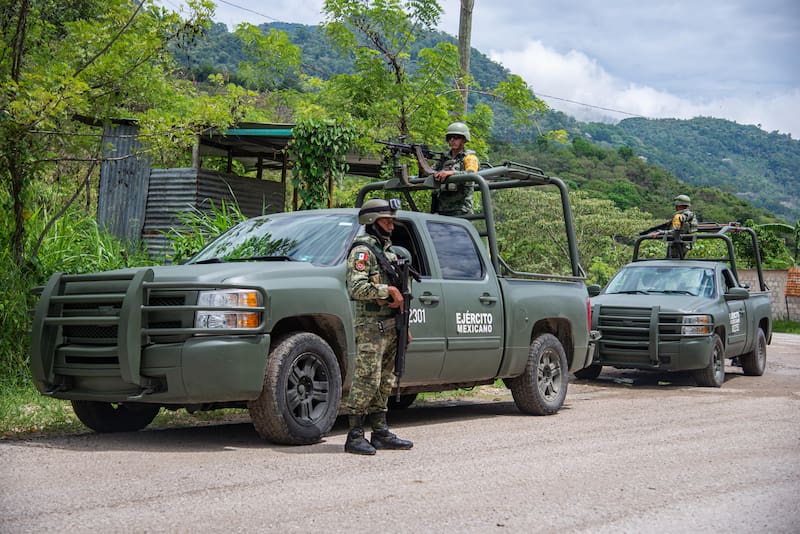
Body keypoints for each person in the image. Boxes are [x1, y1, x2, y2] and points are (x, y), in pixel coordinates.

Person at [344, 198, 414, 455]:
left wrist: (404, 326)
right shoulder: (362, 252)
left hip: (391, 325)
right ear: (372, 222)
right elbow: (356, 287)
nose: (391, 226)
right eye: (386, 221)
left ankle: (380, 431)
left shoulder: (389, 252)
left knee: (385, 379)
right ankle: (354, 435)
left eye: (392, 221)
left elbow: (403, 294)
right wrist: (388, 290)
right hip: (371, 326)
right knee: (367, 379)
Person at [432, 121, 480, 216]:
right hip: (441, 209)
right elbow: (429, 174)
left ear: (464, 139)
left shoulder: (469, 158)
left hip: (461, 210)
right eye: (450, 138)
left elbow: (471, 174)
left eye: (456, 137)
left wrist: (452, 173)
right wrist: (421, 163)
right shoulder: (444, 159)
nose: (453, 140)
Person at [668, 194, 698, 258]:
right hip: (679, 244)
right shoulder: (685, 214)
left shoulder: (686, 215)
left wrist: (661, 232)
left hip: (681, 246)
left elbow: (675, 231)